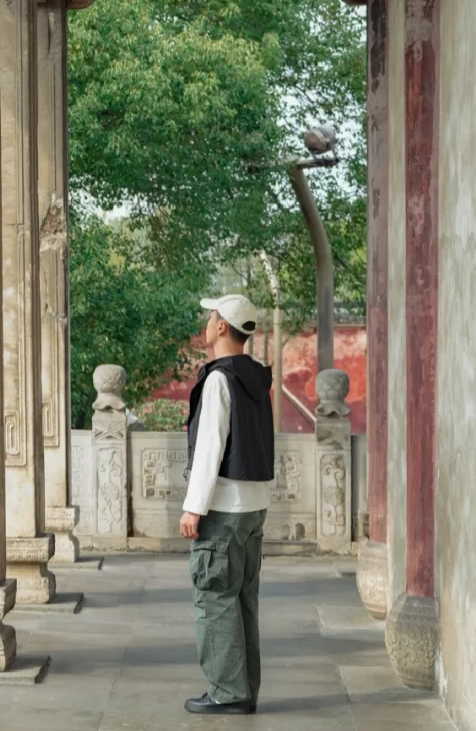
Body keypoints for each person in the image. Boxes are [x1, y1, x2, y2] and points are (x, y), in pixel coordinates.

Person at [179, 294, 275, 716]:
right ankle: (244, 687)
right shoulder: (256, 378)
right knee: (242, 600)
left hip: (224, 508)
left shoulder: (219, 379)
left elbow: (210, 448)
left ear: (221, 327)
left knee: (215, 596)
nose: (208, 320)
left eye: (211, 315)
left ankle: (227, 692)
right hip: (254, 506)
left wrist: (193, 506)